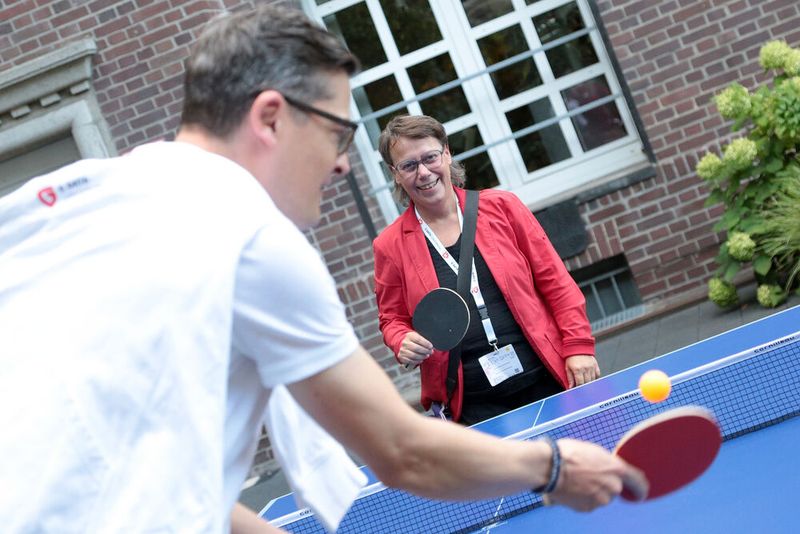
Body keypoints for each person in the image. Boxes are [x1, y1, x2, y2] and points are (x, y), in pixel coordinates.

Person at [0, 5, 645, 534]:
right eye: (338, 132)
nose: (342, 163)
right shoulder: (252, 240)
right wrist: (555, 467)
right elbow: (403, 452)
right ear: (271, 117)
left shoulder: (94, 196)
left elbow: (138, 476)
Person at [373, 114, 601, 425]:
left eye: (430, 157)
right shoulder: (389, 245)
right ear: (395, 174)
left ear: (447, 153)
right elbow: (392, 319)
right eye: (409, 166)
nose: (423, 172)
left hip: (548, 377)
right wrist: (401, 340)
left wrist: (578, 347)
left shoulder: (503, 207)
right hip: (474, 404)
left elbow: (556, 282)